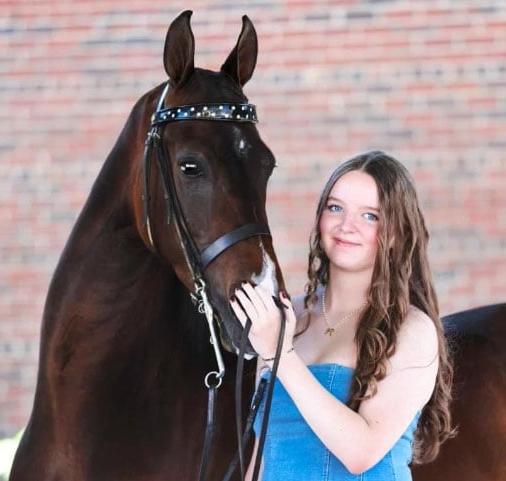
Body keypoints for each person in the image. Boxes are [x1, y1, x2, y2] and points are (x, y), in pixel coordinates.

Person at [230, 151, 456, 481]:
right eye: (335, 208)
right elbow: (263, 455)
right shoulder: (286, 316)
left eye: (370, 216)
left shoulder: (412, 330)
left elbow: (360, 453)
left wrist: (283, 356)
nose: (345, 225)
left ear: (395, 233)